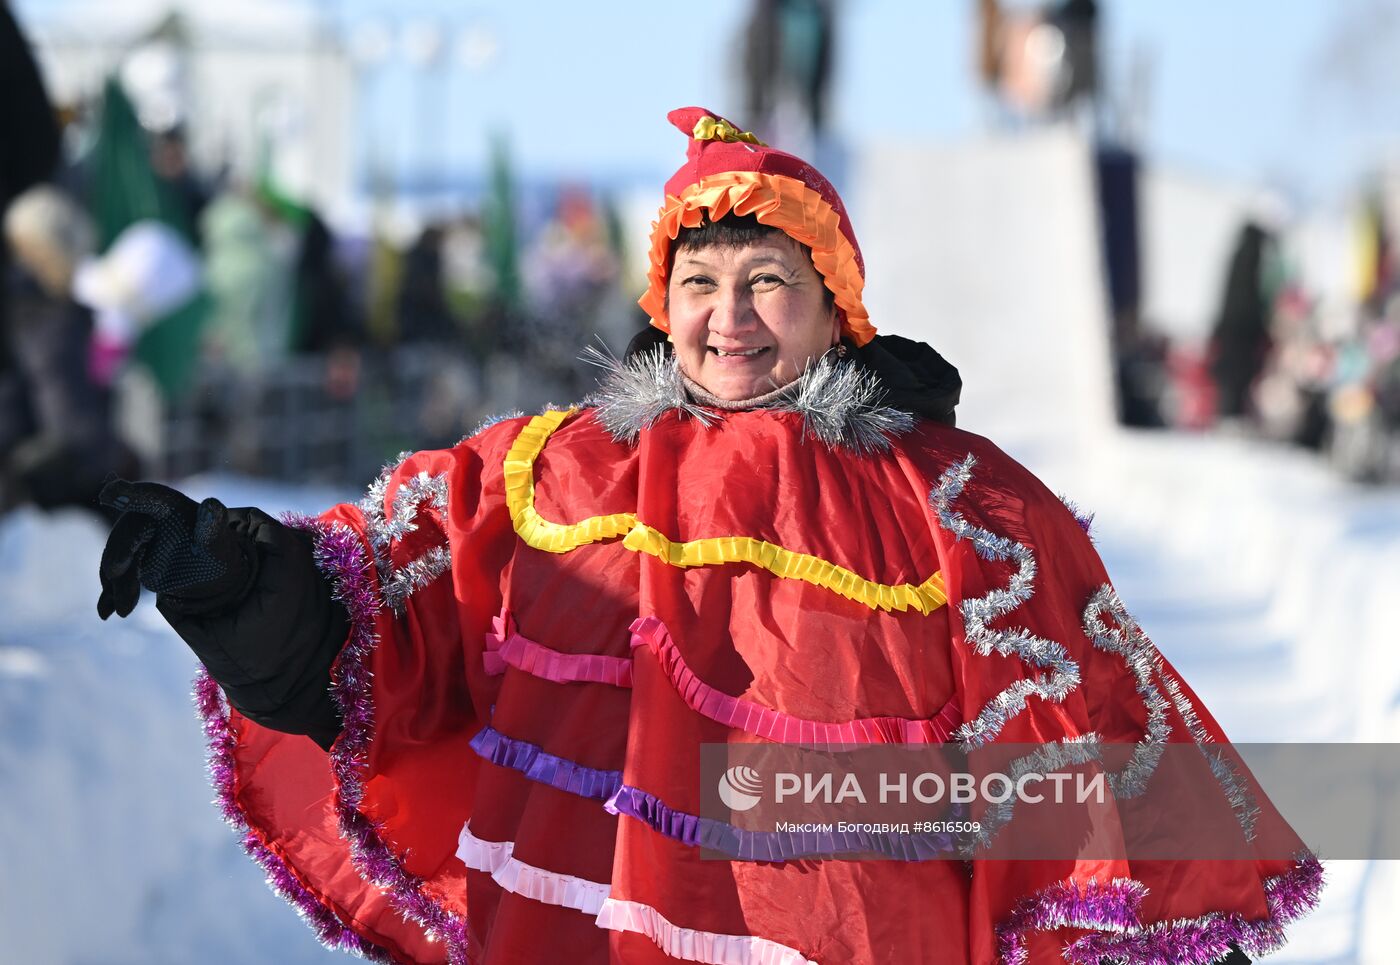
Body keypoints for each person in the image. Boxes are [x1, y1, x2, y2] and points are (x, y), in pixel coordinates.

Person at [96, 108, 1319, 964]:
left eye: (767, 280)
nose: (728, 317)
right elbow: (384, 638)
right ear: (659, 303)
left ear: (833, 305)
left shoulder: (962, 507)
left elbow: (1085, 738)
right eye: (699, 282)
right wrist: (231, 569)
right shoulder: (545, 473)